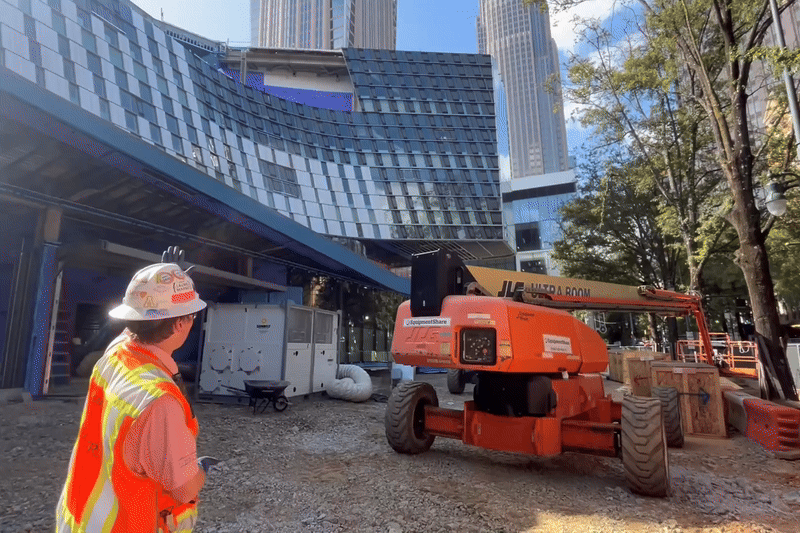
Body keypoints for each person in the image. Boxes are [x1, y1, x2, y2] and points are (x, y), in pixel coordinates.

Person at [56, 259, 209, 533]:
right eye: (191, 316)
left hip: (80, 517)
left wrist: (160, 287)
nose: (192, 322)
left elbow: (139, 326)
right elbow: (183, 489)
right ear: (179, 325)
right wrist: (202, 470)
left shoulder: (116, 353)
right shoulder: (159, 401)